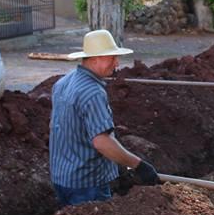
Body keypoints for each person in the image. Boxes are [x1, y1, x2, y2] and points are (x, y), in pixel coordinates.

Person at [49, 29, 160, 206]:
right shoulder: (92, 92)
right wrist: (138, 165)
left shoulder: (63, 82)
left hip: (62, 178)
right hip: (87, 184)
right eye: (111, 57)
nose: (116, 63)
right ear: (94, 58)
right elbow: (102, 142)